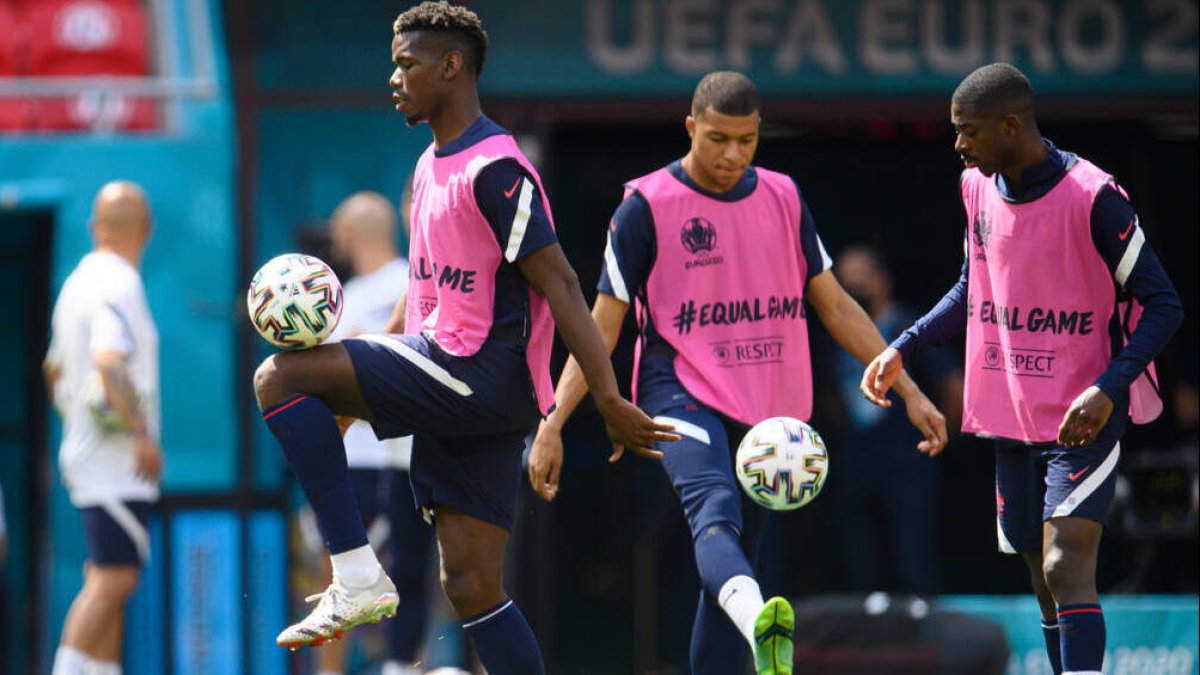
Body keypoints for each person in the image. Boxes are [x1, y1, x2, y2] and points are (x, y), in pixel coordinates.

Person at [252, 3, 676, 673]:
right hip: (455, 376)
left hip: (476, 372)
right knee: (473, 586)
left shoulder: (496, 170)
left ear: (452, 66)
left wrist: (607, 397)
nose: (394, 78)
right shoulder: (427, 167)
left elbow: (565, 286)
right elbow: (419, 300)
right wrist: (351, 394)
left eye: (406, 63)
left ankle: (357, 574)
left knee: (278, 376)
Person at [528, 71, 948, 675]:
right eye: (718, 138)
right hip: (679, 390)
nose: (732, 155)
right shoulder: (646, 206)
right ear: (691, 127)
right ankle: (761, 623)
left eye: (746, 141)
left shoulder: (783, 196)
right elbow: (601, 326)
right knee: (713, 508)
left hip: (766, 404)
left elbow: (833, 304)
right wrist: (553, 422)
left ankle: (748, 623)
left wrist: (905, 386)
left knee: (725, 571)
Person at [862, 63, 1184, 675]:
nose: (958, 145)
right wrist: (904, 344)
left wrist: (1108, 389)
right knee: (1039, 570)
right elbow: (970, 287)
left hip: (1082, 414)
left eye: (968, 132)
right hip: (1009, 410)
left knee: (1067, 564)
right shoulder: (975, 188)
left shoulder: (1094, 196)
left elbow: (1165, 303)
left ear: (1010, 126)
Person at [298, 191, 433, 675]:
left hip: (390, 456)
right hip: (347, 457)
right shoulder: (343, 294)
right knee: (337, 576)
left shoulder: (406, 285)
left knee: (406, 569)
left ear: (350, 234)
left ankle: (405, 663)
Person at [44, 181, 163, 675]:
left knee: (112, 573)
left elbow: (52, 372)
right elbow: (109, 361)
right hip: (114, 461)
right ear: (146, 228)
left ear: (95, 227)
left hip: (87, 454)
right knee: (113, 577)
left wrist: (76, 422)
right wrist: (137, 430)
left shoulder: (75, 283)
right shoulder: (119, 282)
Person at [830, 244, 963, 596]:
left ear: (883, 280)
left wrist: (944, 432)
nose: (855, 291)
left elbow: (953, 385)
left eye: (862, 281)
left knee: (912, 549)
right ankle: (866, 631)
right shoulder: (835, 331)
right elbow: (825, 389)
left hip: (908, 454)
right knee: (859, 554)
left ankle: (922, 627)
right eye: (846, 285)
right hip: (856, 457)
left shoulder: (910, 328)